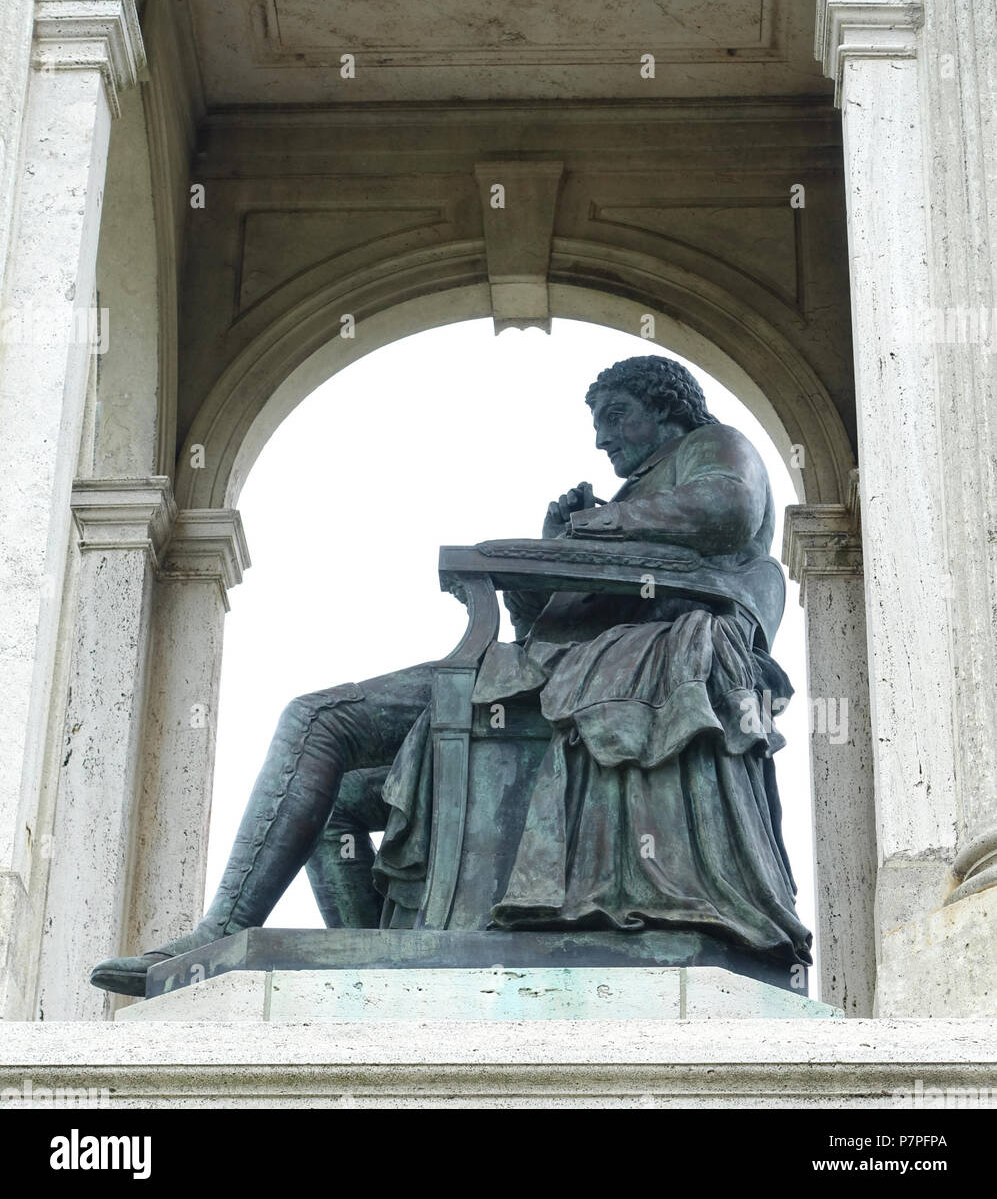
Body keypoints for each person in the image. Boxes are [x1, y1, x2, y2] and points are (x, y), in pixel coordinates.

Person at [91, 355, 810, 997]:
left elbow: (728, 508)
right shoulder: (632, 501)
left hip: (601, 675)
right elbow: (547, 620)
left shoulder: (709, 447)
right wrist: (553, 549)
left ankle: (223, 927)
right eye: (597, 423)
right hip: (556, 673)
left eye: (616, 416)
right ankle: (383, 965)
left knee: (319, 718)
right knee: (336, 803)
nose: (600, 438)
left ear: (668, 409)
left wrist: (596, 531)